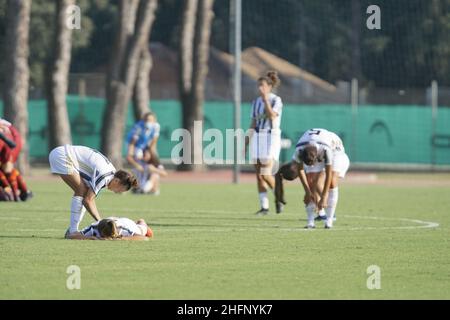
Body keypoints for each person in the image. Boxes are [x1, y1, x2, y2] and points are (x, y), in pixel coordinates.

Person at [48, 144, 138, 234]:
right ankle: (73, 231)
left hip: (63, 153)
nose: (116, 192)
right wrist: (102, 222)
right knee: (81, 191)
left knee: (84, 191)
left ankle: (73, 230)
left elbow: (89, 199)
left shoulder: (111, 173)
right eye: (120, 190)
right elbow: (87, 201)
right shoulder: (104, 177)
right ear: (117, 181)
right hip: (63, 155)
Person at [291, 128, 350, 229]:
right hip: (315, 149)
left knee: (332, 182)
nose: (313, 166)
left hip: (337, 152)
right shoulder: (299, 150)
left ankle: (329, 220)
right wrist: (307, 192)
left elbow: (328, 174)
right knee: (310, 182)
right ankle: (310, 222)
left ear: (317, 157)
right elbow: (300, 170)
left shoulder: (326, 150)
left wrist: (324, 196)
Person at [244, 71, 283, 215]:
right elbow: (253, 123)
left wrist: (266, 99)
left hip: (271, 137)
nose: (259, 88)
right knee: (259, 175)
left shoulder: (275, 100)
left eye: (262, 85)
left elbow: (272, 115)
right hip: (258, 137)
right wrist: (246, 142)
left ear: (269, 86)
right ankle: (264, 207)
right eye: (258, 85)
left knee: (266, 173)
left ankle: (279, 197)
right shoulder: (255, 102)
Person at [126, 112, 166, 194]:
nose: (148, 122)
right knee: (136, 166)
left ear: (154, 120)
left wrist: (151, 153)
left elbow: (153, 143)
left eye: (151, 120)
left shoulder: (156, 126)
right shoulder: (139, 127)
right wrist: (132, 155)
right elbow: (132, 143)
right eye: (147, 120)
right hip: (136, 145)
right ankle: (130, 186)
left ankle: (147, 188)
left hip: (144, 146)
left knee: (154, 174)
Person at [0, 118, 32, 201]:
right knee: (5, 169)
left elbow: (4, 129)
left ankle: (12, 193)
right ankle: (23, 191)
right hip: (9, 140)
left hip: (11, 141)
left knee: (7, 169)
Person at [66, 217, 153, 241]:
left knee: (145, 231)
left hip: (128, 224)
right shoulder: (94, 228)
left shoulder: (123, 230)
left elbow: (144, 238)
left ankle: (141, 221)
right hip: (115, 220)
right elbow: (70, 235)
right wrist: (91, 238)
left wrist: (123, 238)